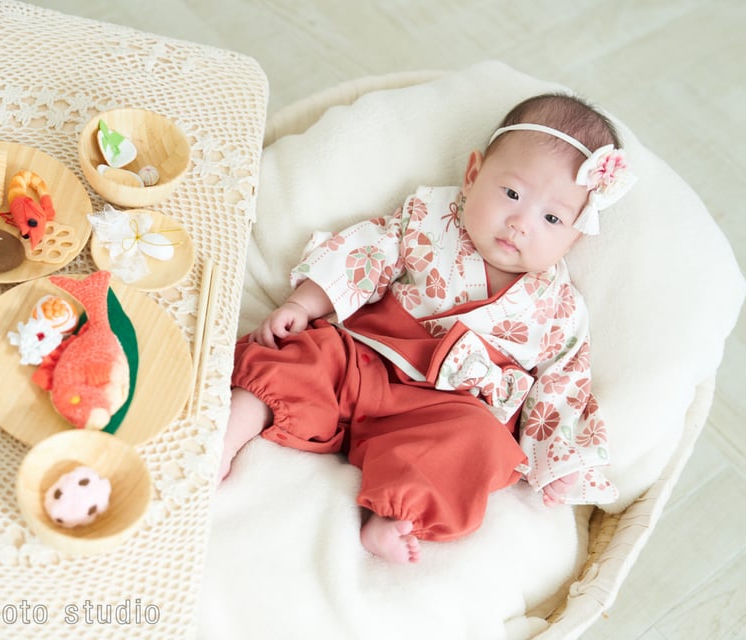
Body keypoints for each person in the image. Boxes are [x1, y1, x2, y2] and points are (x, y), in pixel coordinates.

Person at [220, 93, 637, 563]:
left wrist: (559, 461)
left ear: (575, 236)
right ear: (473, 175)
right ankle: (227, 436)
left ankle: (394, 515)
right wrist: (305, 302)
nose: (521, 223)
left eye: (552, 218)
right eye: (512, 194)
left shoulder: (559, 309)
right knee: (302, 351)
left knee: (479, 442)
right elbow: (367, 253)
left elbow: (562, 386)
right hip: (364, 361)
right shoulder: (430, 219)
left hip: (444, 412)